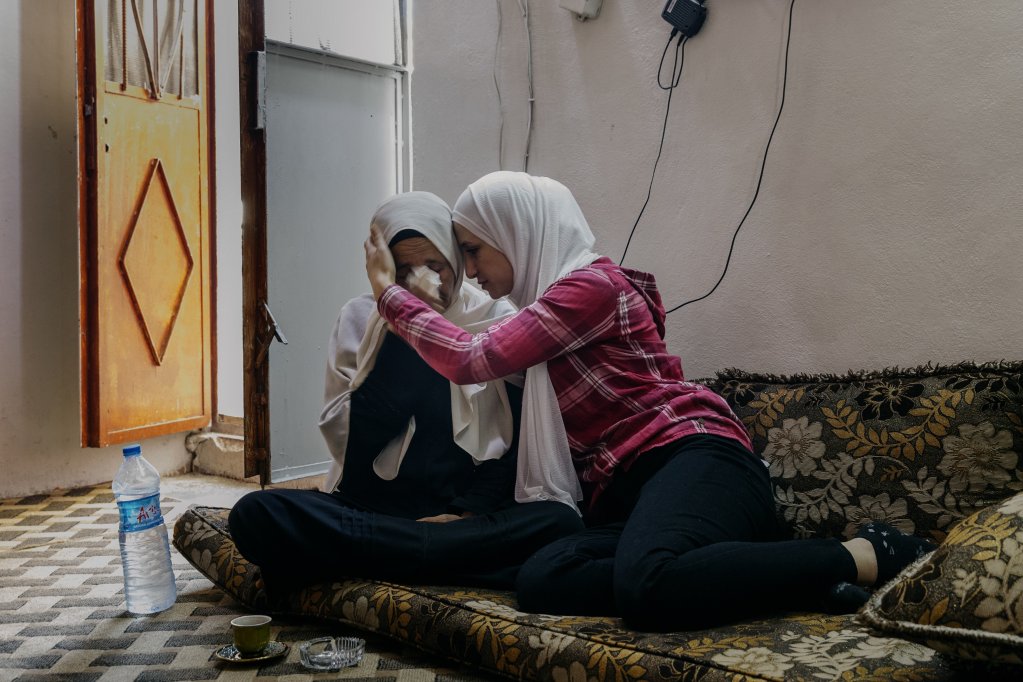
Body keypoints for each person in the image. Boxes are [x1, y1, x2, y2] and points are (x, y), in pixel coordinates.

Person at [363, 172, 934, 631]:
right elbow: (479, 362)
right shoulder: (542, 312)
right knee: (543, 579)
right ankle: (772, 575)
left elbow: (472, 358)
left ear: (517, 230)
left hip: (695, 456)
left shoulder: (589, 288)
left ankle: (865, 552)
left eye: (472, 251)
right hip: (628, 494)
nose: (468, 271)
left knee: (648, 585)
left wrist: (389, 293)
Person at [229, 191, 582, 595]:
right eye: (402, 270)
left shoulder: (495, 321)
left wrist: (464, 514)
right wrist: (403, 335)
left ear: (455, 260)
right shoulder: (361, 318)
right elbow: (353, 445)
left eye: (435, 265)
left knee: (559, 521)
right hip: (377, 509)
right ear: (381, 272)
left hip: (464, 518)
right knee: (254, 513)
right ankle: (445, 561)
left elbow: (515, 442)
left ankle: (390, 558)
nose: (422, 280)